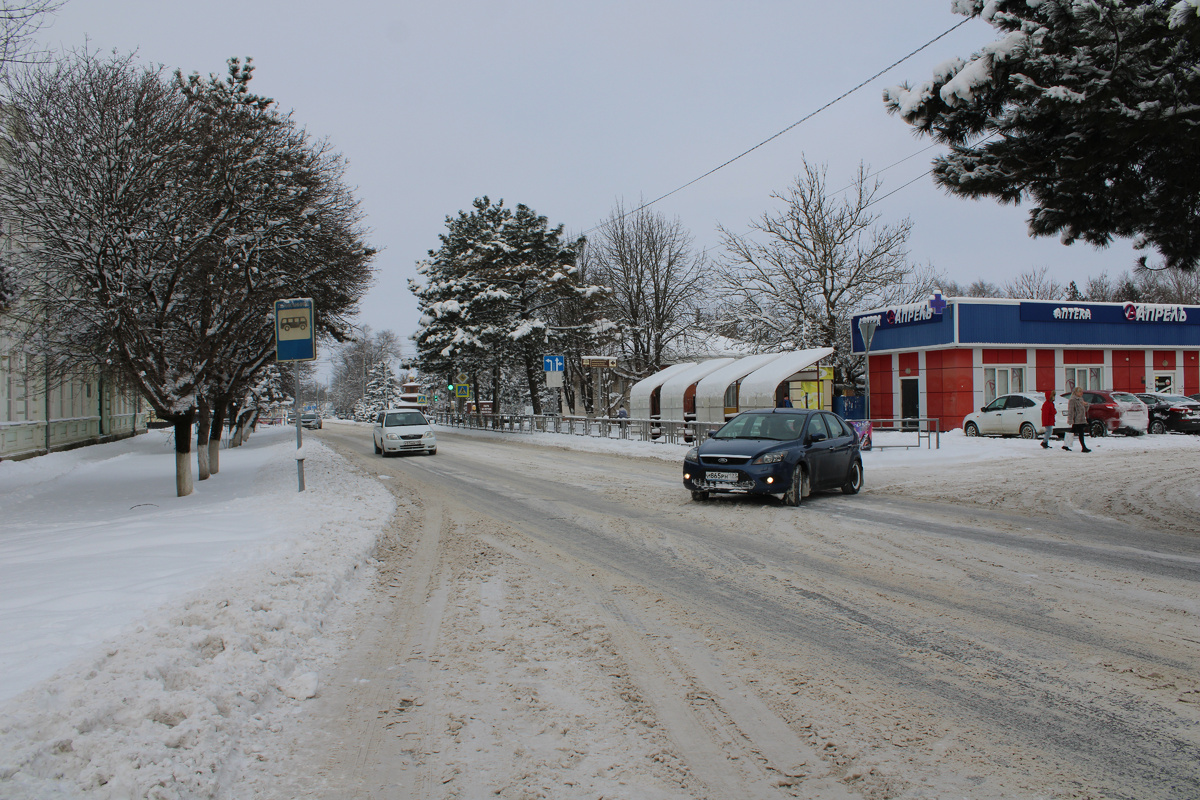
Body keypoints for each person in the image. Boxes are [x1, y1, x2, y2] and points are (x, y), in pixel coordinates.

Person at [1063, 386, 1091, 452]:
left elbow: (1085, 409)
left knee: (1072, 431)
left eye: (1082, 391)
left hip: (1081, 418)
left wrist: (1086, 405)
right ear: (1076, 392)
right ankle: (1083, 447)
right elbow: (1071, 410)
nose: (1082, 393)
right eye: (1080, 391)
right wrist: (1070, 419)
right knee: (1081, 433)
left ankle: (1066, 445)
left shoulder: (1081, 399)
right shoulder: (1073, 400)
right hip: (1077, 419)